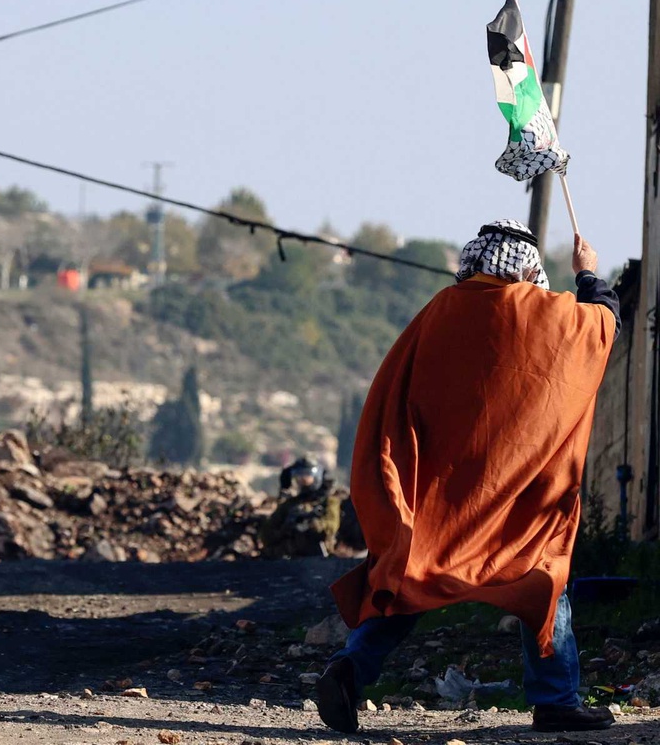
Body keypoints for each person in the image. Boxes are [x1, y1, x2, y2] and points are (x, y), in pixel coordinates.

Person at [317, 221, 620, 734]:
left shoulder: (440, 311)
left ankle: (351, 668)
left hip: (442, 500)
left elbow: (395, 394)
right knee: (545, 579)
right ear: (527, 268)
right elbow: (604, 325)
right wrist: (588, 275)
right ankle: (556, 700)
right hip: (521, 503)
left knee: (413, 576)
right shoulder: (548, 317)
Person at [264, 456, 341, 557]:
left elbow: (332, 525)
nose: (303, 480)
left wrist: (313, 525)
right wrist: (286, 528)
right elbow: (267, 533)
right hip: (292, 557)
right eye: (299, 476)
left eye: (307, 475)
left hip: (321, 556)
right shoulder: (289, 504)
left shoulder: (329, 501)